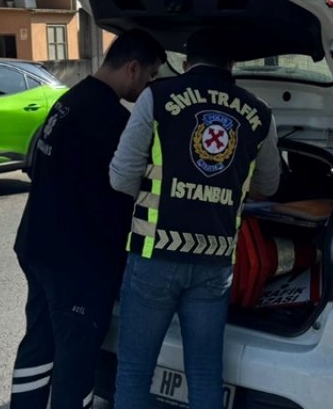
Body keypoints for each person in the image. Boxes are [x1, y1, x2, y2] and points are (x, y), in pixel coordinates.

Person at [109, 28, 281, 409]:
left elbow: (121, 178)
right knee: (205, 373)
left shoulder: (157, 96)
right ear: (232, 65)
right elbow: (269, 185)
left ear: (186, 64)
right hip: (215, 262)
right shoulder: (259, 113)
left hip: (154, 254)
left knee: (135, 371)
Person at [10, 29, 166, 409]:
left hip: (37, 245)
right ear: (133, 68)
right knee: (76, 361)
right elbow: (133, 190)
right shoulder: (110, 120)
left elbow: (38, 168)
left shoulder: (70, 99)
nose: (149, 87)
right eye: (150, 77)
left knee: (39, 344)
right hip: (76, 262)